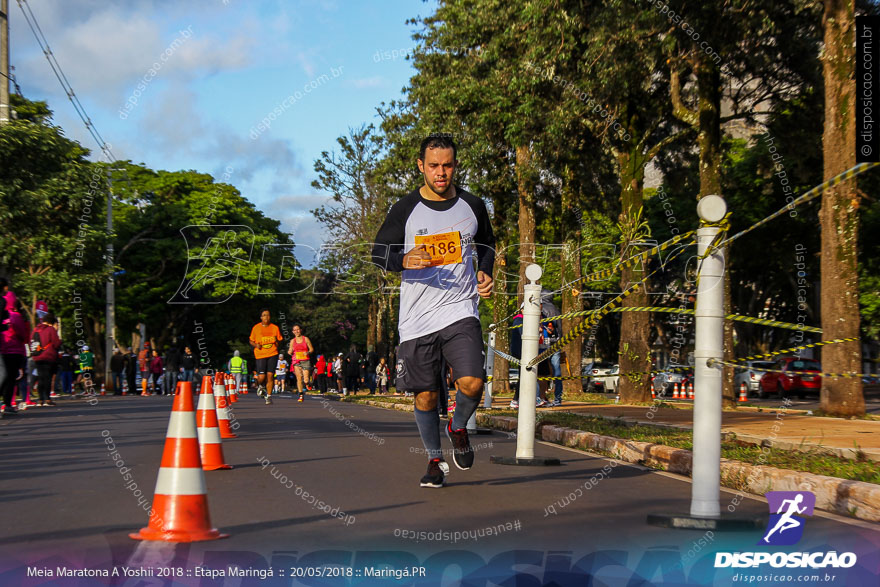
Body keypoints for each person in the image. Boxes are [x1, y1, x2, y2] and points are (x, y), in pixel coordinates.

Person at [371, 134, 495, 488]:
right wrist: (403, 259)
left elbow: (487, 244)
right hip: (417, 318)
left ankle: (457, 427)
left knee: (471, 381)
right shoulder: (405, 208)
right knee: (425, 394)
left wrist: (485, 271)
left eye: (448, 165)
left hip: (460, 310)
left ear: (455, 165)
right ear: (421, 166)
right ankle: (434, 461)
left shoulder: (473, 204)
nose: (441, 173)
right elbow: (377, 252)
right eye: (434, 166)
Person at [249, 308, 282, 405]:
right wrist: (256, 345)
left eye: (268, 315)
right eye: (264, 315)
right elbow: (251, 340)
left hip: (273, 353)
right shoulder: (256, 328)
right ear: (261, 317)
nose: (266, 317)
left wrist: (277, 342)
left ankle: (269, 396)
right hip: (260, 354)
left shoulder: (275, 328)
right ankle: (259, 385)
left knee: (270, 375)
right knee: (262, 377)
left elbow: (279, 340)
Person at [32, 312, 61, 406]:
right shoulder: (50, 329)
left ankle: (40, 399)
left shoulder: (35, 329)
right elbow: (56, 343)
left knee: (41, 378)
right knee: (47, 378)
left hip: (37, 356)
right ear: (51, 322)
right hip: (48, 357)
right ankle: (47, 398)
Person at [288, 324, 314, 402]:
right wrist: (290, 352)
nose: (297, 331)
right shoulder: (292, 341)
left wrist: (308, 352)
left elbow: (311, 349)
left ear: (300, 330)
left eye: (298, 329)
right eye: (295, 330)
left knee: (305, 380)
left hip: (305, 360)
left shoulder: (306, 339)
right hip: (296, 361)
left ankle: (308, 383)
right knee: (299, 378)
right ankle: (301, 395)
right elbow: (290, 350)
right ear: (293, 332)